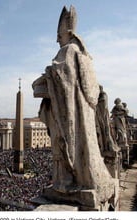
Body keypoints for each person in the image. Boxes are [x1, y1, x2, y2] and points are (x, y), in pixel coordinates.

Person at [32, 6, 114, 202]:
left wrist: (45, 78)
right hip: (79, 113)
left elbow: (61, 76)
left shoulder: (68, 50)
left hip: (67, 113)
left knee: (62, 145)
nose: (57, 39)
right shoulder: (84, 55)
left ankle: (65, 182)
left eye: (58, 35)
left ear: (67, 32)